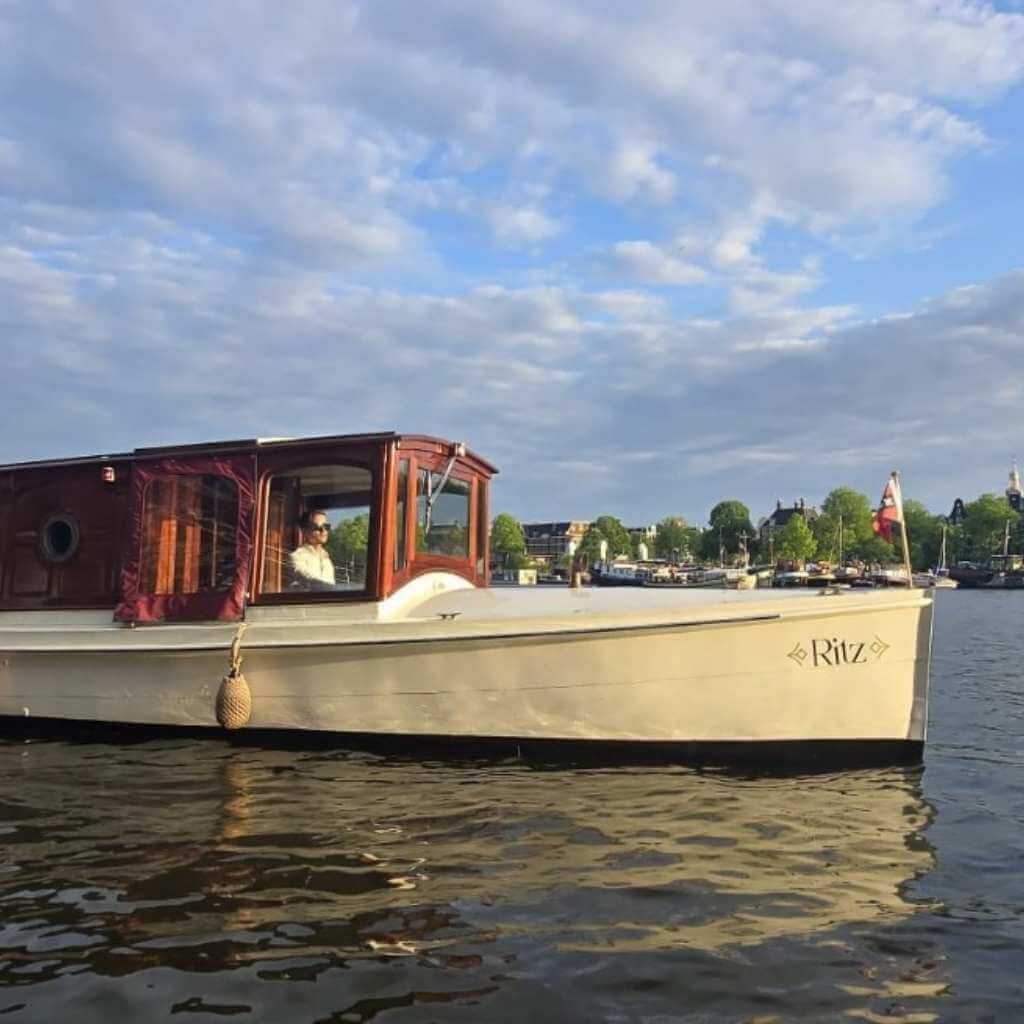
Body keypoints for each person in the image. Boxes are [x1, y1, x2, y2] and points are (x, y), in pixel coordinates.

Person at [287, 509, 336, 590]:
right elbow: (315, 583)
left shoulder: (327, 559)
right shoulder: (296, 557)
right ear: (305, 531)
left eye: (326, 526)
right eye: (317, 527)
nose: (323, 531)